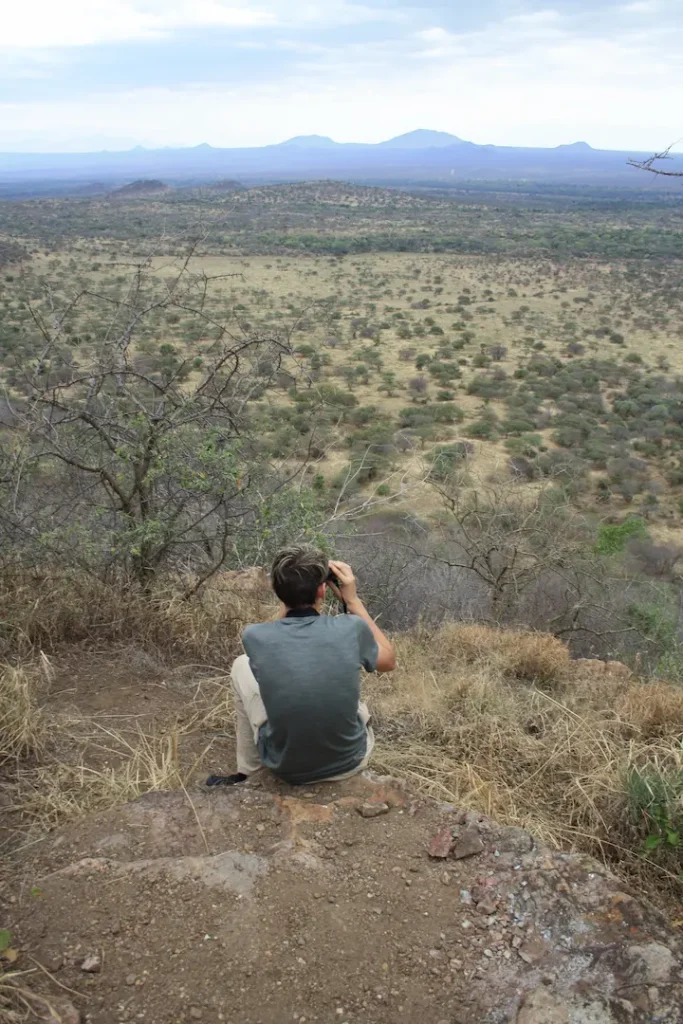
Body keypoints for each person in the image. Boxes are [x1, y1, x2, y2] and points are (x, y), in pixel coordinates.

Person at [207, 547, 396, 788]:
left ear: (276, 590)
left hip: (285, 768)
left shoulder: (255, 636)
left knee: (240, 664)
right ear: (322, 589)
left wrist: (288, 596)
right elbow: (389, 661)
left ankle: (248, 773)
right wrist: (352, 601)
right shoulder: (351, 628)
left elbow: (284, 648)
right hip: (350, 762)